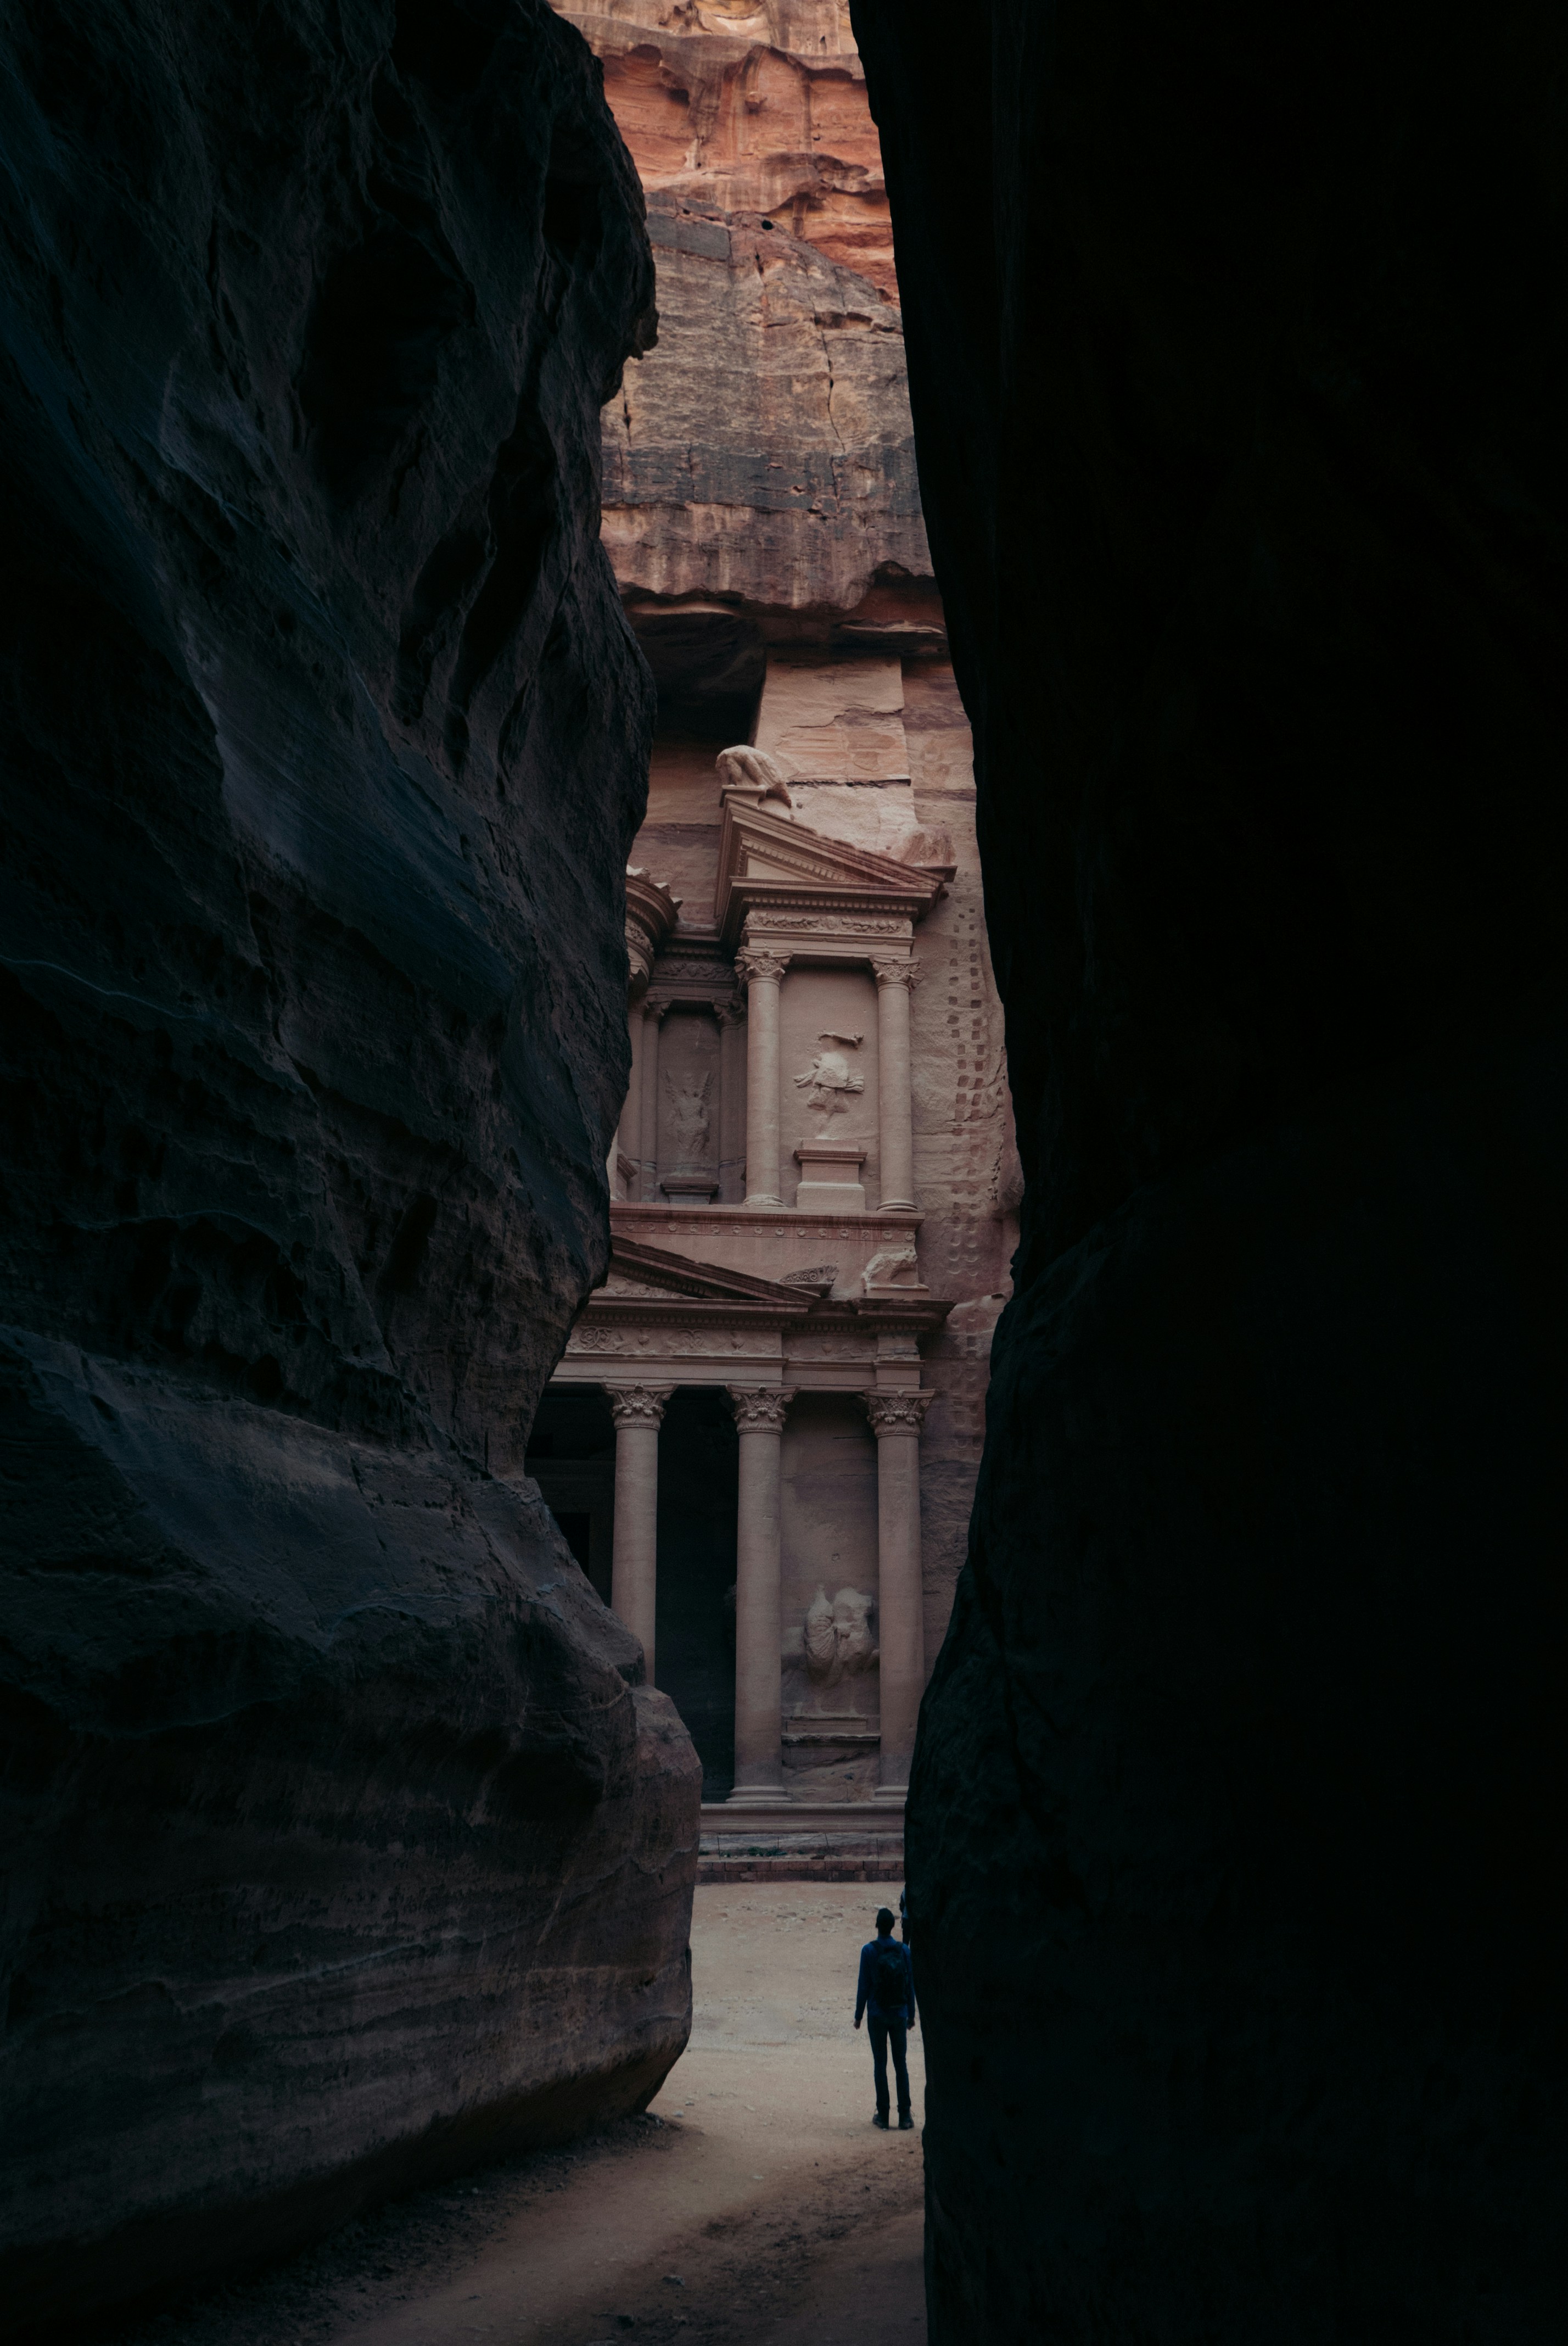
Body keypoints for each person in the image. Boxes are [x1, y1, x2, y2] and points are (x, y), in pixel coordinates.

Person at [854, 1906, 917, 2130]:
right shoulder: (904, 1951)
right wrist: (911, 2014)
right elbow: (910, 1985)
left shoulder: (868, 1951)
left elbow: (864, 1986)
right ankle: (905, 2117)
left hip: (877, 2014)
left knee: (880, 2064)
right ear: (892, 1927)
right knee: (901, 2064)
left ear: (877, 1926)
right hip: (899, 2013)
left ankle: (883, 2115)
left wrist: (858, 2016)